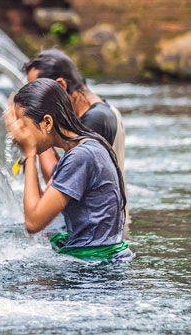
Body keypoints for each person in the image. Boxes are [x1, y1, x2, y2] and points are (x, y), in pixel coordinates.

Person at [3, 79, 132, 261]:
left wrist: (30, 152)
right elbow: (42, 206)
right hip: (96, 263)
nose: (18, 134)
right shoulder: (84, 146)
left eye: (23, 126)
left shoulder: (81, 157)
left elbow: (33, 222)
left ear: (47, 122)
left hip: (94, 273)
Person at [23, 49, 128, 228]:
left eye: (38, 94)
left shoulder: (96, 121)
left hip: (100, 235)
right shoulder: (94, 112)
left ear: (61, 86)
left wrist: (35, 136)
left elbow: (56, 179)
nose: (33, 102)